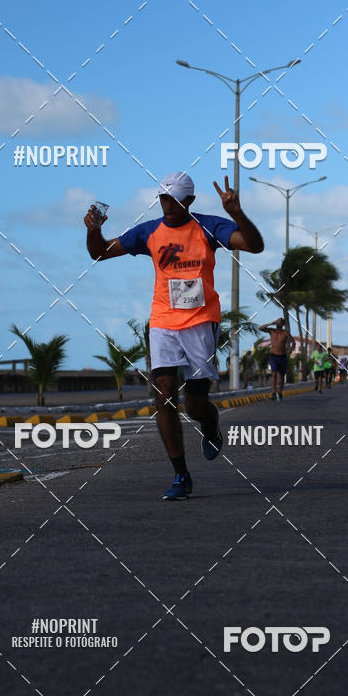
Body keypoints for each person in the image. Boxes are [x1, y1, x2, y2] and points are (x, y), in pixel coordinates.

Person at [84, 172, 264, 500]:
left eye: (174, 199)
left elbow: (254, 245)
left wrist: (236, 213)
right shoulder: (149, 231)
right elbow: (100, 253)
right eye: (163, 198)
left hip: (200, 322)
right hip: (163, 322)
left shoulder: (209, 226)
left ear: (189, 201)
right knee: (163, 392)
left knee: (195, 405)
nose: (167, 205)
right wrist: (93, 230)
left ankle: (210, 424)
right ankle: (181, 474)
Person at [258, 318, 293, 401]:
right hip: (273, 356)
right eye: (277, 321)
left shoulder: (285, 333)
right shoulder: (271, 331)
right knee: (273, 373)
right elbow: (261, 328)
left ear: (283, 324)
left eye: (280, 321)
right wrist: (271, 323)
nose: (278, 322)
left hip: (282, 356)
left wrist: (289, 352)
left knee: (281, 376)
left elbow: (293, 342)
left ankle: (280, 392)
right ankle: (273, 392)